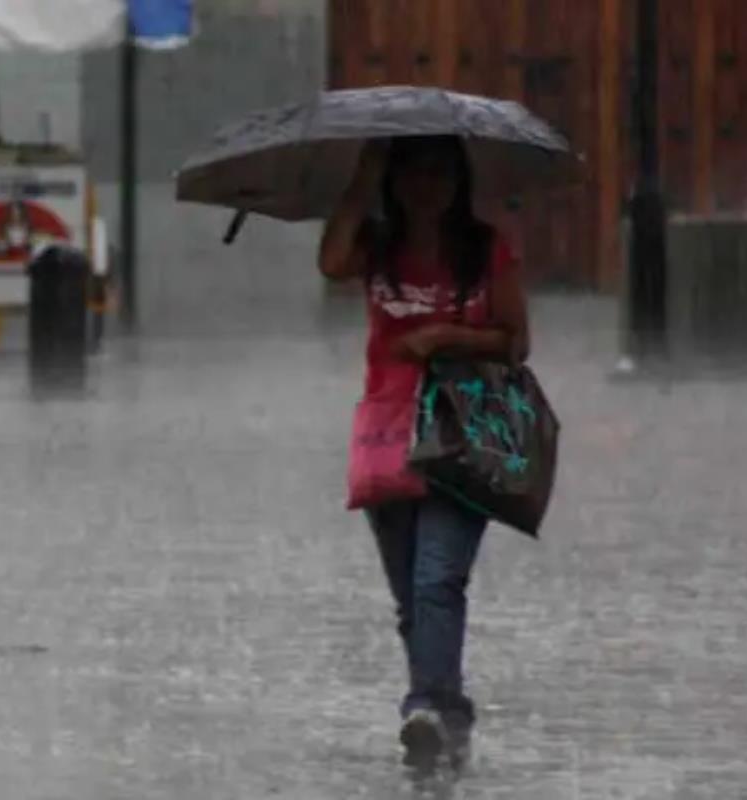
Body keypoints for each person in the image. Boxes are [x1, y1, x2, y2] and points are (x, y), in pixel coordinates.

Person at [318, 136, 530, 764]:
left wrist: (444, 335)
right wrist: (361, 179)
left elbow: (515, 343)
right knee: (413, 596)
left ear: (457, 180)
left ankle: (425, 707)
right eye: (412, 172)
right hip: (388, 432)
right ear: (395, 179)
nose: (426, 186)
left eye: (439, 172)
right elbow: (331, 262)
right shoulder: (378, 247)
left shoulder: (483, 248)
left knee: (439, 578)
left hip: (465, 433)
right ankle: (448, 707)